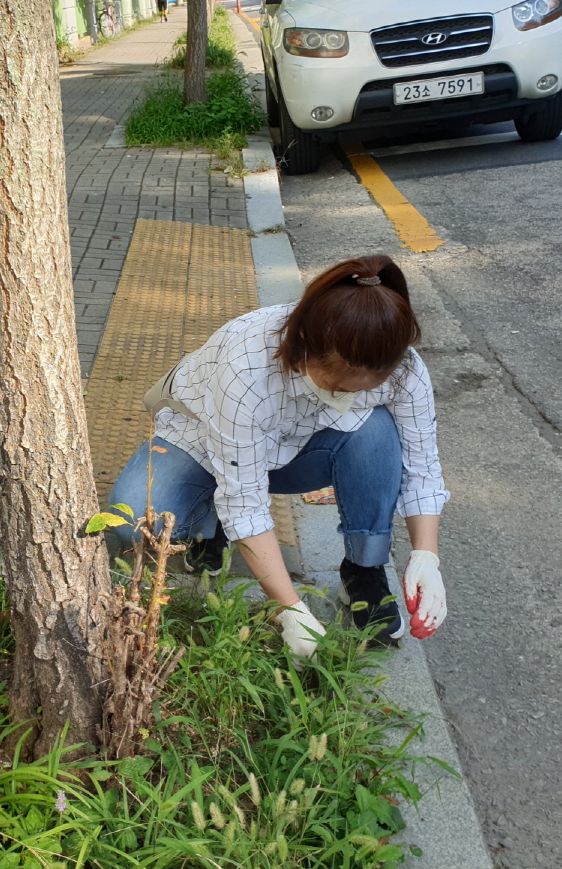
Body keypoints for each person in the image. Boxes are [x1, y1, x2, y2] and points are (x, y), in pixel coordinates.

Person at [107, 255, 448, 661]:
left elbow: (422, 467)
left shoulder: (403, 367)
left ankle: (363, 571)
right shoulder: (246, 365)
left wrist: (426, 556)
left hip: (294, 446)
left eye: (362, 391)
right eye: (338, 388)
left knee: (375, 430)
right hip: (199, 440)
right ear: (305, 349)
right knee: (135, 522)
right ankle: (209, 527)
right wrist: (291, 610)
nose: (348, 401)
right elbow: (246, 501)